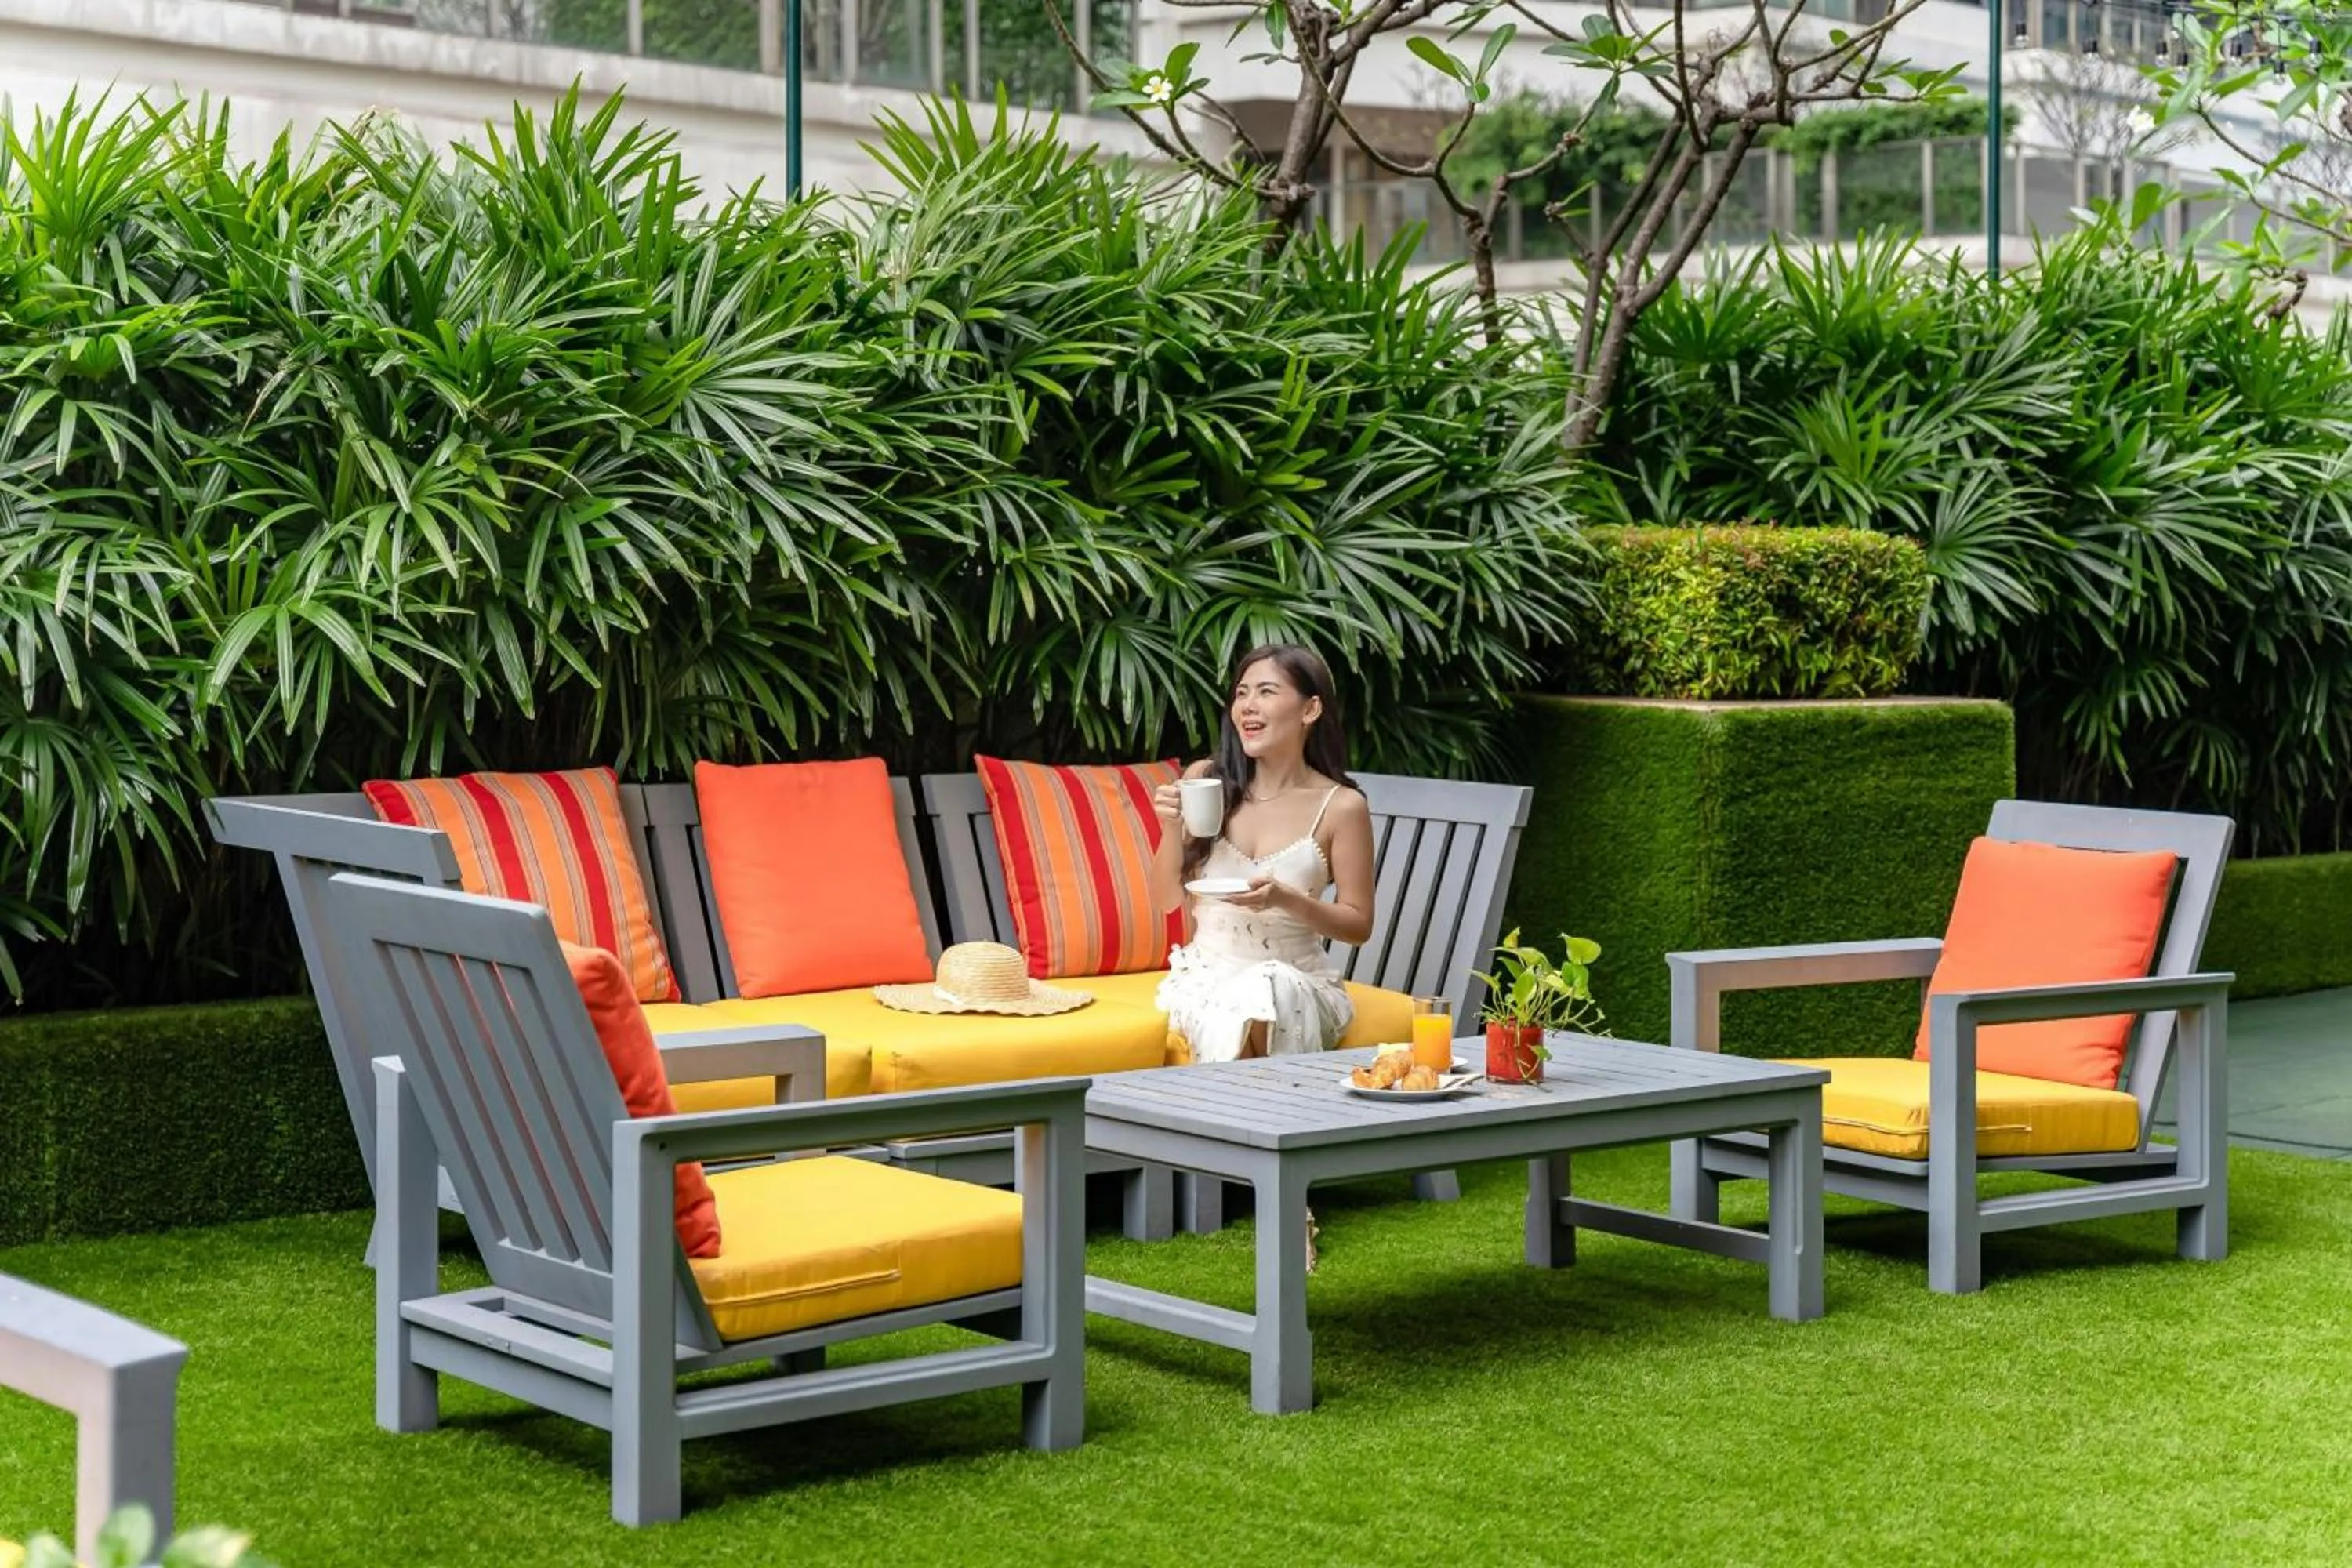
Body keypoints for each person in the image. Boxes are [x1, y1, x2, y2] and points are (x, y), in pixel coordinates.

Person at [1148, 644, 1377, 1065]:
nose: (1248, 707)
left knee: (1266, 988)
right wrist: (1171, 826)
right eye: (1241, 693)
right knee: (1249, 1001)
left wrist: (1285, 899)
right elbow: (1164, 900)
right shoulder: (1206, 781)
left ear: (1310, 710)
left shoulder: (1341, 807)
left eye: (1266, 692)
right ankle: (1268, 1121)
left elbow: (1358, 925)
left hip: (1298, 981)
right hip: (1206, 979)